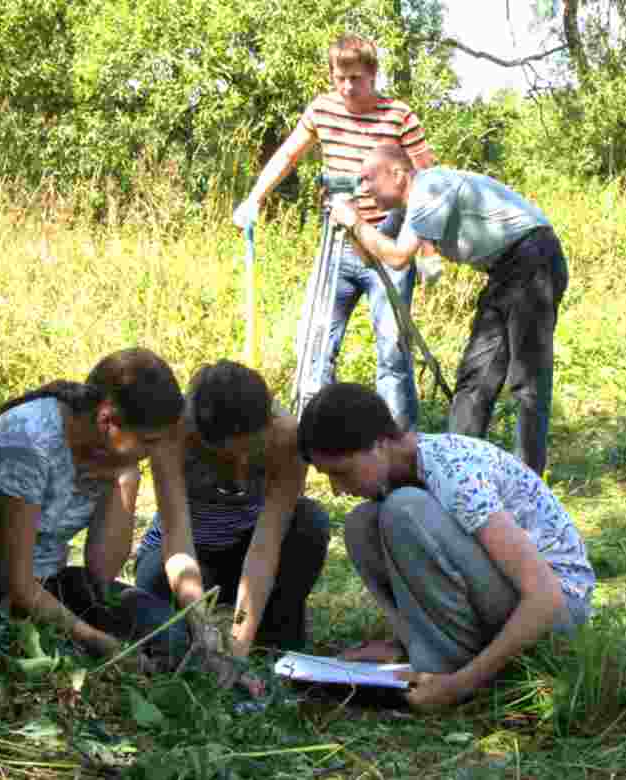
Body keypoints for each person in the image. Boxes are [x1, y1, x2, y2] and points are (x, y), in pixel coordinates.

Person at [296, 382, 595, 713]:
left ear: (379, 445)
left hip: (559, 611)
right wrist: (402, 645)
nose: (336, 489)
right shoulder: (405, 473)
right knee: (361, 524)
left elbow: (545, 596)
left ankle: (446, 669)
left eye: (341, 472)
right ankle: (423, 651)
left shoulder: (451, 472)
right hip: (515, 600)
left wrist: (460, 685)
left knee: (403, 509)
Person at [0, 347, 225, 674]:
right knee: (102, 648)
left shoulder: (105, 451)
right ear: (107, 420)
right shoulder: (29, 446)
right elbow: (16, 584)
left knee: (173, 638)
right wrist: (99, 641)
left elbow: (101, 573)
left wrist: (125, 480)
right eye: (148, 441)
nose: (151, 453)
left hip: (50, 585)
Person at [233, 34, 436, 429]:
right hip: (336, 246)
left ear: (374, 75)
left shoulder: (399, 116)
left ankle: (397, 448)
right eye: (339, 77)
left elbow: (428, 182)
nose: (346, 87)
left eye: (356, 78)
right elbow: (289, 153)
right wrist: (255, 198)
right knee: (315, 344)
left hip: (387, 241)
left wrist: (428, 250)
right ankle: (313, 441)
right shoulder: (322, 110)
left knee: (393, 353)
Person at [329, 144, 569, 475]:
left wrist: (355, 220)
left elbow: (397, 257)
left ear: (398, 174)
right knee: (476, 375)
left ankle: (529, 476)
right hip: (504, 270)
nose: (364, 189)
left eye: (369, 179)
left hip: (534, 258)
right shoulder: (407, 207)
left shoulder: (429, 186)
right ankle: (455, 470)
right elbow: (370, 257)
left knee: (526, 379)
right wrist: (349, 223)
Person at [135, 360, 330, 679]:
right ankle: (202, 639)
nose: (240, 471)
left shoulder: (288, 436)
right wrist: (202, 626)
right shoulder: (171, 435)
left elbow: (265, 548)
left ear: (268, 423)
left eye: (252, 452)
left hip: (245, 549)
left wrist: (237, 652)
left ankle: (272, 644)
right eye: (223, 457)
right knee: (157, 607)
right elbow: (177, 541)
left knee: (310, 522)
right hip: (189, 554)